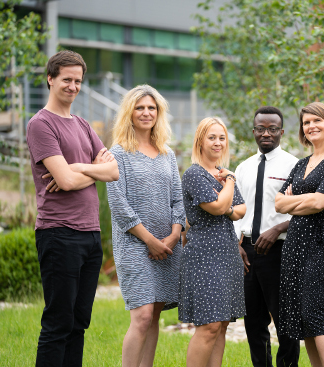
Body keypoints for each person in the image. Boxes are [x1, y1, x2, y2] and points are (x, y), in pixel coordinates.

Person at [26, 50, 119, 366]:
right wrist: (90, 169)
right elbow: (63, 181)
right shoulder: (40, 124)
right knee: (58, 323)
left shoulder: (82, 124)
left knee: (79, 323)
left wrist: (78, 167)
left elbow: (113, 171)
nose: (73, 86)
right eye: (67, 79)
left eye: (78, 81)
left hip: (90, 235)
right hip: (59, 233)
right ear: (50, 79)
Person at [106, 85, 185, 366]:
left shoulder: (167, 154)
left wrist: (175, 233)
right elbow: (118, 204)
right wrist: (149, 240)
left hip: (167, 246)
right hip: (134, 246)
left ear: (159, 113)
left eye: (151, 108)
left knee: (154, 316)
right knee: (141, 317)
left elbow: (178, 197)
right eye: (140, 107)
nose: (146, 113)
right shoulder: (118, 154)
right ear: (129, 113)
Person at [275, 102, 324, 367]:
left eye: (317, 121)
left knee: (316, 313)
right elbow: (278, 203)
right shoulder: (301, 163)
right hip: (295, 245)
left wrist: (300, 200)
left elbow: (321, 203)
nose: (311, 126)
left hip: (323, 244)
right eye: (307, 122)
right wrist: (316, 199)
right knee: (302, 319)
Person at [234, 106, 300, 367]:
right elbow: (235, 210)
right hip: (247, 252)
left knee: (285, 321)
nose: (266, 134)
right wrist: (236, 243)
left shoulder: (294, 165)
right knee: (254, 322)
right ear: (254, 131)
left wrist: (278, 228)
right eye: (261, 129)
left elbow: (301, 210)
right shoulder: (243, 168)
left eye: (272, 129)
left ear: (281, 132)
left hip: (279, 251)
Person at [179, 117, 247, 367]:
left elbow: (240, 209)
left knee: (222, 325)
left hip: (227, 252)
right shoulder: (194, 174)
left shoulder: (221, 172)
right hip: (204, 255)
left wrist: (226, 204)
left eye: (222, 138)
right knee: (209, 325)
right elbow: (219, 207)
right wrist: (229, 181)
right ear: (200, 141)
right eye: (212, 137)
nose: (218, 143)